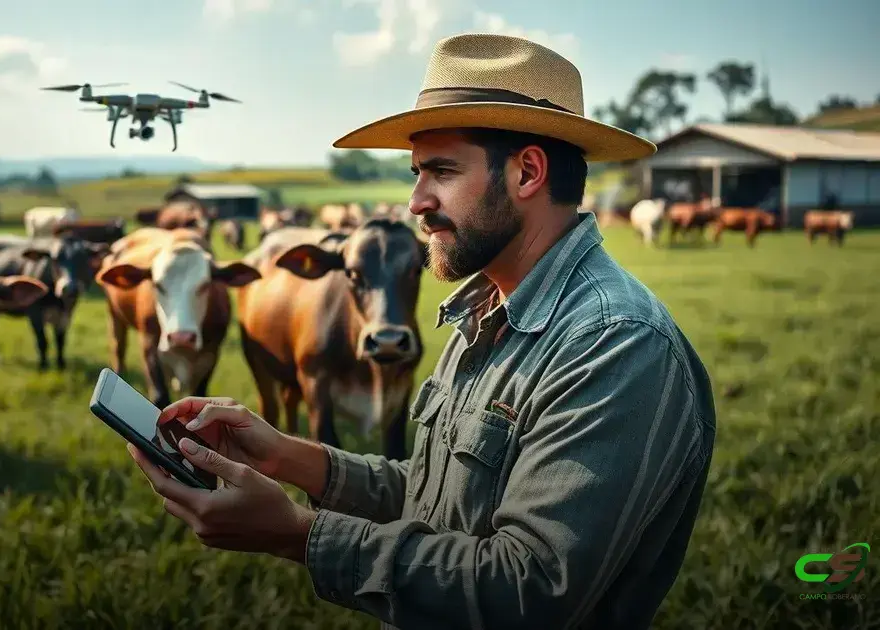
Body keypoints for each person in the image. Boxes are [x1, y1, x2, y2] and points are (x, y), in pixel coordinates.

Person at [127, 33, 716, 630]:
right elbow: (441, 499)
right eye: (417, 173)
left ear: (527, 172)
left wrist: (295, 534)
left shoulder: (615, 345)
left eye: (441, 171)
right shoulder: (485, 311)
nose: (415, 201)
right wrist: (287, 455)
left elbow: (530, 590)